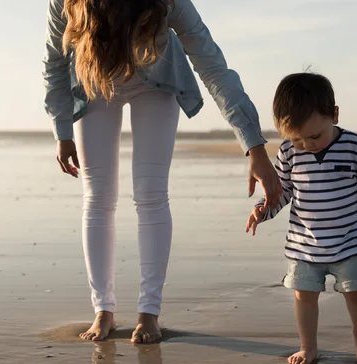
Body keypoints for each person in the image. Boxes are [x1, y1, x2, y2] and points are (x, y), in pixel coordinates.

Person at [42, 0, 281, 344]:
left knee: (151, 195)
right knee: (97, 197)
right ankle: (103, 311)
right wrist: (61, 129)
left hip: (156, 78)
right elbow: (54, 61)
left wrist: (254, 147)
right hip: (94, 79)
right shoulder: (64, 2)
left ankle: (149, 312)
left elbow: (213, 67)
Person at [246, 72, 357, 364]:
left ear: (333, 115)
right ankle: (308, 346)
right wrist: (263, 209)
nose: (307, 144)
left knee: (356, 291)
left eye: (314, 136)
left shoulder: (354, 147)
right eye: (297, 139)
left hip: (351, 241)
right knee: (303, 295)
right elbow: (282, 192)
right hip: (305, 243)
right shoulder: (288, 152)